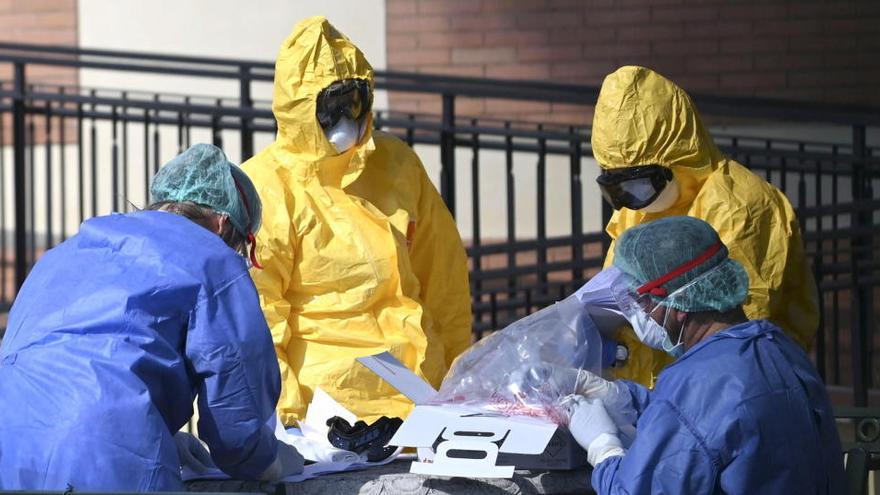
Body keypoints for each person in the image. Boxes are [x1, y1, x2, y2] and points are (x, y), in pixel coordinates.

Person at [0, 144, 303, 491]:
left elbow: (63, 358)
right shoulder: (214, 259)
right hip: (108, 457)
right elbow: (237, 406)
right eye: (239, 242)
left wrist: (165, 436)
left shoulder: (68, 250)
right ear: (221, 224)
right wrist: (268, 460)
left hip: (10, 447)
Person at [242, 16, 472, 426]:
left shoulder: (395, 163)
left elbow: (444, 279)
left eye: (352, 103)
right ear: (300, 110)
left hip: (419, 397)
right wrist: (285, 418)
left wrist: (454, 378)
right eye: (330, 109)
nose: (344, 120)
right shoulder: (268, 187)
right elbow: (260, 318)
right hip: (326, 414)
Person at [565, 216, 844, 494]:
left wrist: (603, 448)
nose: (639, 312)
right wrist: (623, 398)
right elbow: (709, 424)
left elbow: (638, 489)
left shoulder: (698, 382)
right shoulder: (779, 347)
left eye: (641, 300)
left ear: (680, 305)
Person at [590, 65, 819, 386]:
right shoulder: (643, 207)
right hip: (659, 395)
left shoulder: (739, 206)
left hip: (731, 389)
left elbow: (734, 325)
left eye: (638, 184)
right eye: (614, 188)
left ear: (674, 160)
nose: (627, 201)